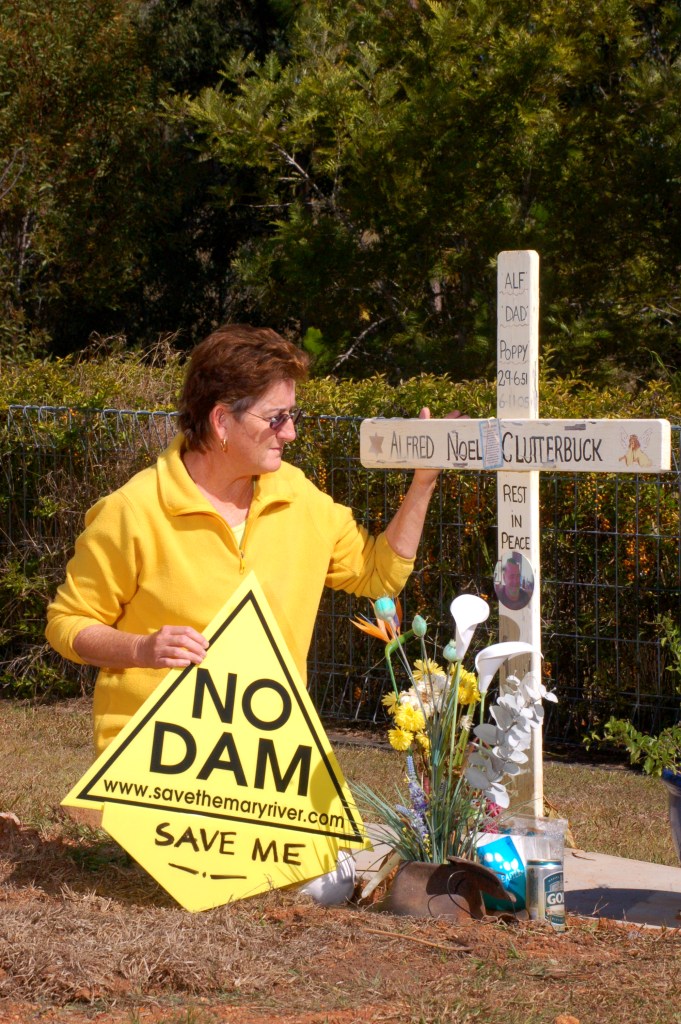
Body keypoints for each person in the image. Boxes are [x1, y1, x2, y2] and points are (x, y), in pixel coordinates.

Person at [46, 324, 463, 755]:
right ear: (221, 420)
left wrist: (423, 482)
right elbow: (68, 623)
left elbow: (379, 577)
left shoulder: (299, 495)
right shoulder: (132, 510)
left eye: (292, 416)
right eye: (275, 418)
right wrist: (141, 648)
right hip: (150, 765)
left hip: (264, 772)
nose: (290, 433)